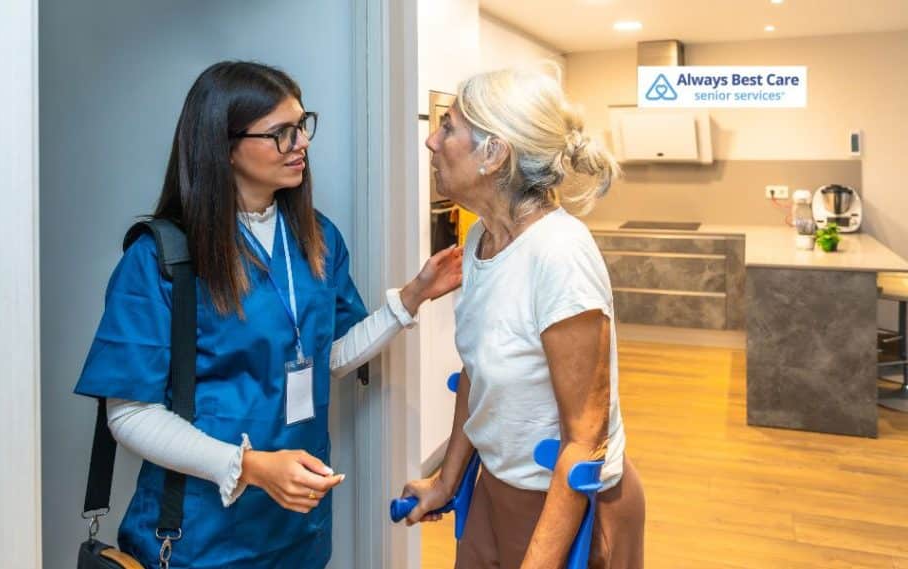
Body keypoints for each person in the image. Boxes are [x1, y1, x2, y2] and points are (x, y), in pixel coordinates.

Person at [74, 61, 462, 569]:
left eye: (302, 126)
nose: (300, 143)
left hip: (295, 528)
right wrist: (249, 466)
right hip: (202, 533)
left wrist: (410, 299)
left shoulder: (316, 238)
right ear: (223, 145)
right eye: (280, 133)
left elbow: (327, 355)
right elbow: (130, 414)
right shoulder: (160, 258)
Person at [400, 63, 646, 568]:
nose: (431, 141)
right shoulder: (479, 240)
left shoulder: (559, 255)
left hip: (568, 509)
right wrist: (445, 481)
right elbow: (476, 374)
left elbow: (586, 440)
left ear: (493, 154)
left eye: (448, 127)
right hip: (495, 488)